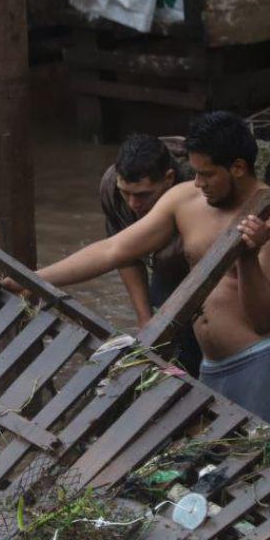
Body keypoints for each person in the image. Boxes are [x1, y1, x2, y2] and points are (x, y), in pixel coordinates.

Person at [24, 111, 270, 436]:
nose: (198, 183)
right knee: (210, 475)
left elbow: (262, 319)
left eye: (207, 174)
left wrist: (247, 258)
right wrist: (32, 279)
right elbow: (113, 250)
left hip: (264, 361)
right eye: (195, 172)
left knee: (268, 474)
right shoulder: (185, 199)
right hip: (211, 366)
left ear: (239, 168)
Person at [100, 133, 201, 375]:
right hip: (163, 261)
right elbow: (123, 255)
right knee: (158, 332)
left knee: (194, 341)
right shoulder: (112, 188)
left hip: (194, 259)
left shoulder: (195, 188)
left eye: (143, 195)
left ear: (168, 179)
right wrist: (145, 319)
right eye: (127, 193)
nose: (133, 204)